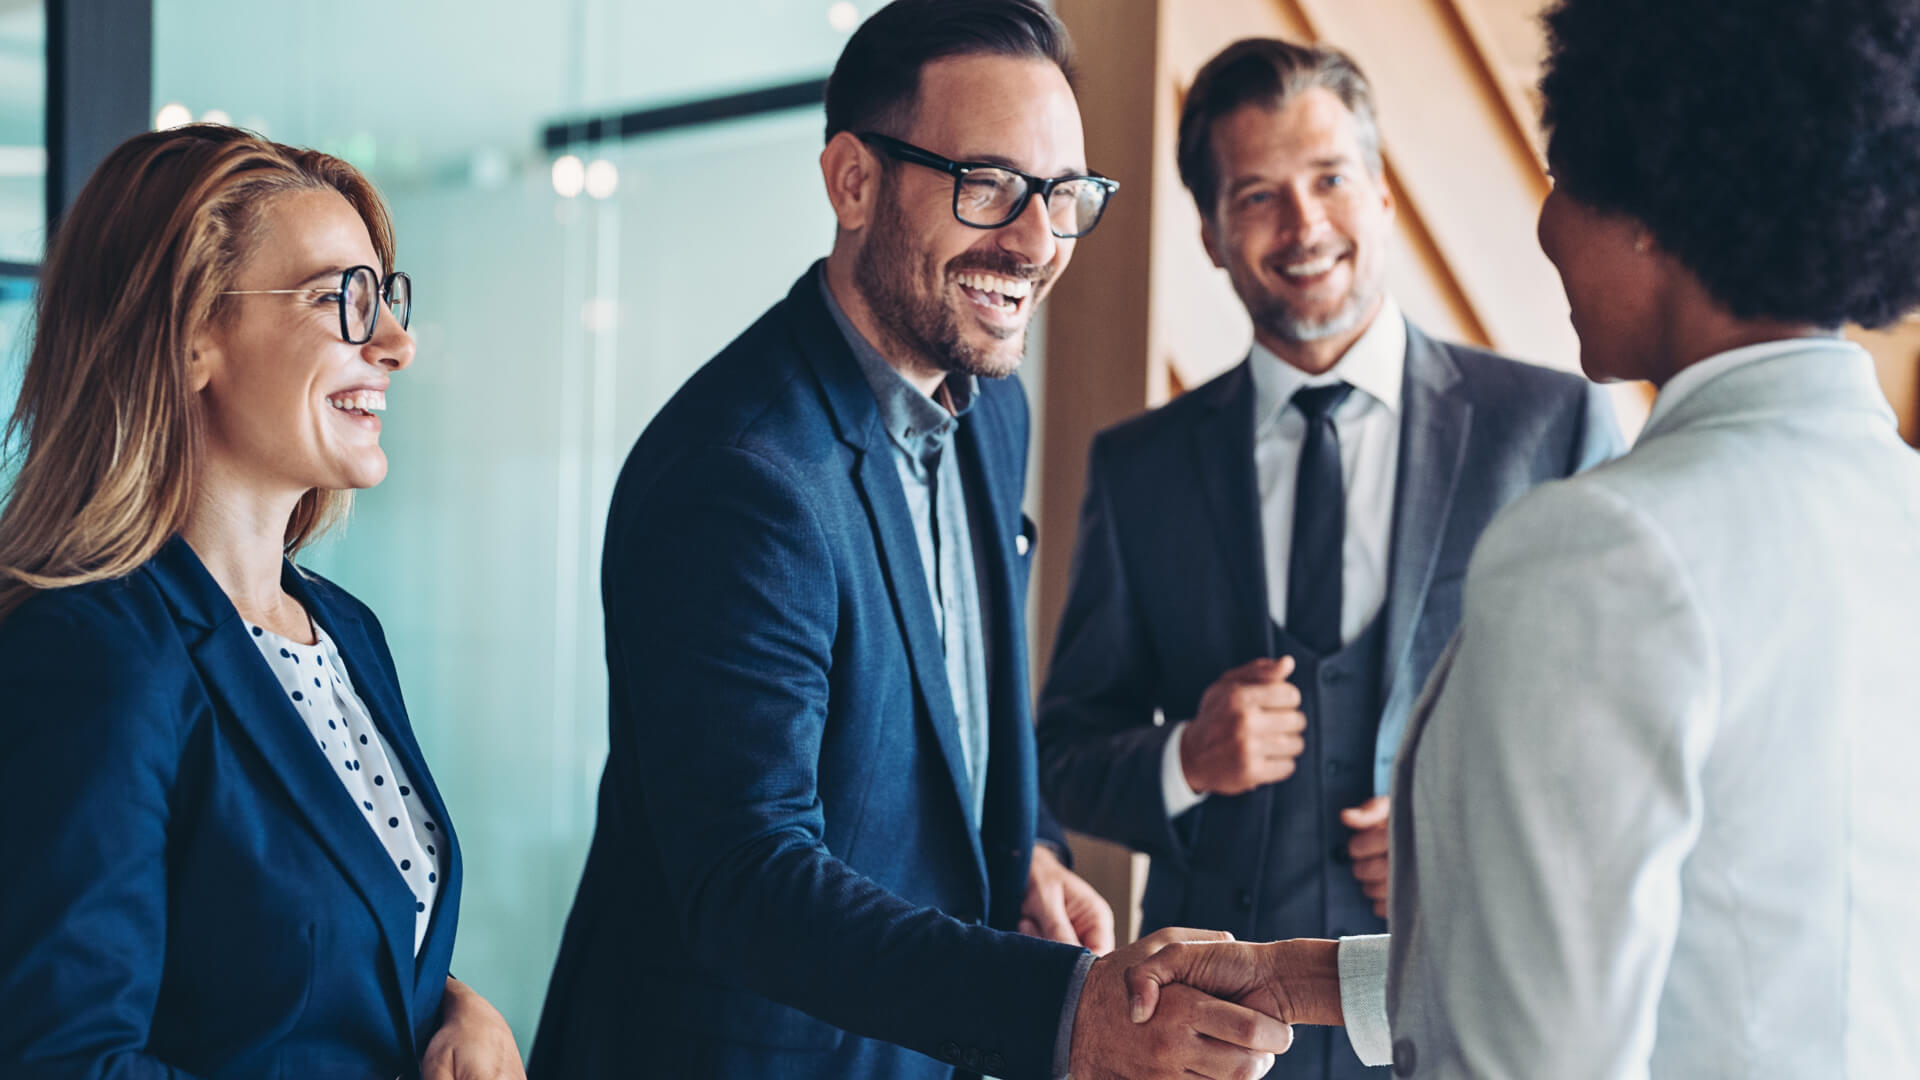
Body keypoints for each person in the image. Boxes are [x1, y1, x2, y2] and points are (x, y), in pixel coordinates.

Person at [1124, 0, 1920, 1075]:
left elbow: (1537, 1051)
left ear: (1654, 203)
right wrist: (1289, 977)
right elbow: (1711, 932)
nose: (1545, 226)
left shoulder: (1603, 553)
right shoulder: (1895, 508)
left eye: (1564, 173)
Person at [528, 3, 1290, 1078]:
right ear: (852, 181)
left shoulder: (990, 405)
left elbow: (949, 715)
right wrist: (1070, 1010)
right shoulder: (740, 474)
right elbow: (748, 878)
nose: (1035, 242)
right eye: (988, 186)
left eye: (1063, 196)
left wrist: (1025, 851)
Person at [1034, 37, 1618, 1079]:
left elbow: (1618, 733)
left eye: (1331, 179)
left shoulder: (1551, 427)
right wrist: (1185, 761)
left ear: (1383, 194)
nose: (1304, 227)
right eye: (1257, 196)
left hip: (1458, 1029)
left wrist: (1470, 831)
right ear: (1211, 235)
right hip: (1210, 1042)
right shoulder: (1140, 468)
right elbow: (1066, 758)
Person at [0, 126, 523, 1078]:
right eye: (342, 300)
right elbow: (68, 1061)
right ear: (194, 333)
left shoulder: (343, 630)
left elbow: (293, 943)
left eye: (387, 299)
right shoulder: (92, 652)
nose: (397, 345)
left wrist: (456, 1005)